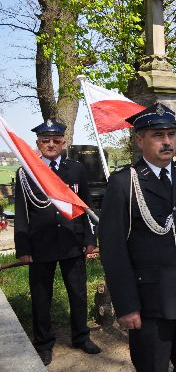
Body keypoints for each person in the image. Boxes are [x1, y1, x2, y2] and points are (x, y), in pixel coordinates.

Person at [98, 102, 176, 372]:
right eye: (158, 135)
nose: (167, 142)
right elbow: (113, 251)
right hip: (150, 305)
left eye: (171, 134)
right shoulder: (124, 184)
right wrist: (127, 305)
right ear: (139, 139)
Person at [13, 120, 100, 365]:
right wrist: (23, 248)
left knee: (78, 294)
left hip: (72, 242)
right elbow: (21, 212)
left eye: (56, 140)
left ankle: (81, 337)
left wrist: (89, 238)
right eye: (45, 140)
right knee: (41, 298)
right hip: (40, 245)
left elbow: (85, 206)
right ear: (38, 143)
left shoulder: (76, 169)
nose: (51, 144)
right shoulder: (27, 172)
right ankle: (44, 343)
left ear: (63, 142)